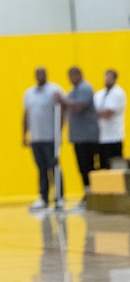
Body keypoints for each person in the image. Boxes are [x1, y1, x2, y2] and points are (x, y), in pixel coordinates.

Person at [23, 67, 64, 212]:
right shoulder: (29, 93)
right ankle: (44, 198)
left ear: (47, 74)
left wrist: (59, 133)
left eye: (42, 73)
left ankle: (59, 198)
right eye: (37, 74)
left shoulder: (55, 90)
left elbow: (62, 111)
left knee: (54, 167)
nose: (40, 76)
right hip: (36, 138)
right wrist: (24, 134)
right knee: (41, 169)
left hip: (51, 137)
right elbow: (26, 114)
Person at [55, 67, 98, 208]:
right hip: (78, 137)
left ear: (78, 74)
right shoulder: (72, 91)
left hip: (87, 136)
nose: (70, 79)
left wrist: (63, 100)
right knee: (82, 167)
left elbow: (79, 106)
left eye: (72, 76)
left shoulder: (85, 88)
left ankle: (93, 195)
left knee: (89, 167)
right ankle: (87, 194)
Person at [94, 70, 127, 169]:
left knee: (115, 166)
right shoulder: (99, 94)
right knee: (103, 166)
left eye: (110, 78)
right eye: (106, 77)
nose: (107, 80)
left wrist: (95, 113)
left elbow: (108, 113)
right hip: (101, 137)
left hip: (114, 137)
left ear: (115, 79)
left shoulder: (118, 93)